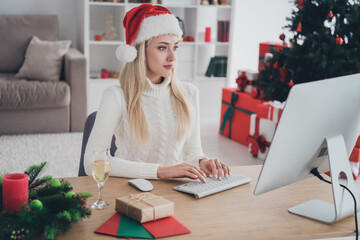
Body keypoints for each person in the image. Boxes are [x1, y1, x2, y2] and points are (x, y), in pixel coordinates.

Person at [84, 3, 230, 183]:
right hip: (129, 188)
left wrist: (202, 161)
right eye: (162, 47)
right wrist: (160, 171)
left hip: (174, 189)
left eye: (175, 47)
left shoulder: (189, 93)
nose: (172, 57)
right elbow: (92, 160)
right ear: (139, 51)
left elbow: (192, 151)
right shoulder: (116, 96)